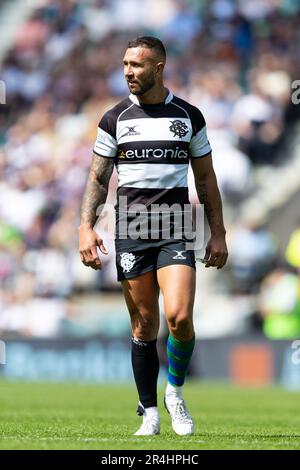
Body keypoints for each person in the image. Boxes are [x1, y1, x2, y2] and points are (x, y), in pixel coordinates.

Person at [78, 36, 228, 436]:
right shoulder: (114, 118)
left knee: (179, 318)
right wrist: (84, 226)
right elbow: (97, 176)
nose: (128, 71)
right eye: (125, 64)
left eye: (136, 65)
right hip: (131, 226)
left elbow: (206, 177)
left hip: (175, 223)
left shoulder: (188, 116)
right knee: (145, 325)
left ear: (158, 68)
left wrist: (219, 233)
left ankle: (174, 392)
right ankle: (149, 411)